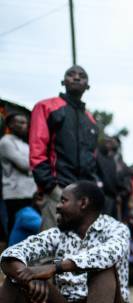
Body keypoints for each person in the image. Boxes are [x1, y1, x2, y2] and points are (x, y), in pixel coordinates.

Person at [0, 181, 131, 303]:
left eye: (63, 200)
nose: (58, 206)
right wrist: (26, 277)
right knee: (16, 277)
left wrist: (55, 266)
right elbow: (12, 253)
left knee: (102, 265)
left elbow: (109, 254)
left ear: (83, 203)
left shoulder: (116, 229)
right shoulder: (57, 234)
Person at [29, 65, 99, 230]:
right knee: (52, 246)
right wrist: (50, 187)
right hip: (58, 189)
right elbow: (37, 149)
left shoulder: (91, 120)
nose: (76, 78)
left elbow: (92, 158)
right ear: (63, 82)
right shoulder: (47, 107)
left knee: (80, 249)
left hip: (83, 196)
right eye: (71, 74)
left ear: (87, 86)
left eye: (82, 76)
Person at [0, 114, 38, 233]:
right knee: (15, 226)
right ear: (10, 125)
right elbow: (24, 164)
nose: (24, 126)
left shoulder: (25, 144)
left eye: (25, 123)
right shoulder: (5, 142)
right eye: (20, 123)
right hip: (15, 193)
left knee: (26, 229)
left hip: (30, 192)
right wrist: (35, 166)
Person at [96, 136, 120, 219]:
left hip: (111, 196)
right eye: (107, 142)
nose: (109, 145)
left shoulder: (112, 160)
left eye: (111, 143)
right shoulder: (97, 156)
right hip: (101, 194)